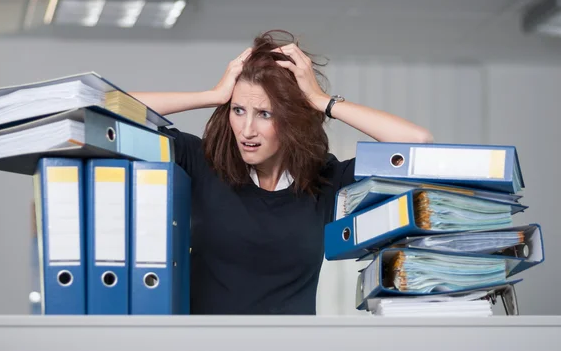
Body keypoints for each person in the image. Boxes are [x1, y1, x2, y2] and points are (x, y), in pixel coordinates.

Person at [130, 30, 433, 315]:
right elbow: (102, 105)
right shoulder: (203, 161)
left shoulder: (324, 181)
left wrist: (319, 100)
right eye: (238, 110)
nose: (247, 130)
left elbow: (417, 144)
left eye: (265, 114)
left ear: (292, 121)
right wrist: (211, 95)